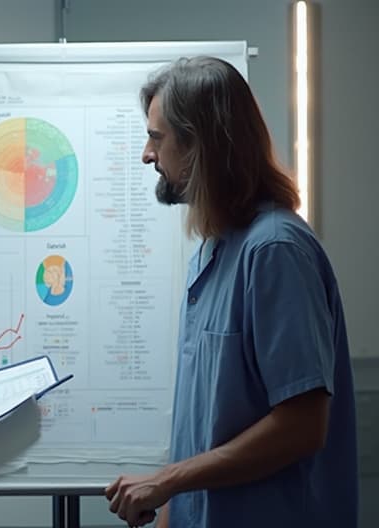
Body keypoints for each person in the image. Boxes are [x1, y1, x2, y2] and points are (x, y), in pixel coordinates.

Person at [105, 56, 358, 528]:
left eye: (157, 139)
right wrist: (170, 507)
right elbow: (207, 426)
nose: (146, 154)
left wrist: (169, 480)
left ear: (201, 145)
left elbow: (302, 426)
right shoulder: (214, 252)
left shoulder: (275, 251)